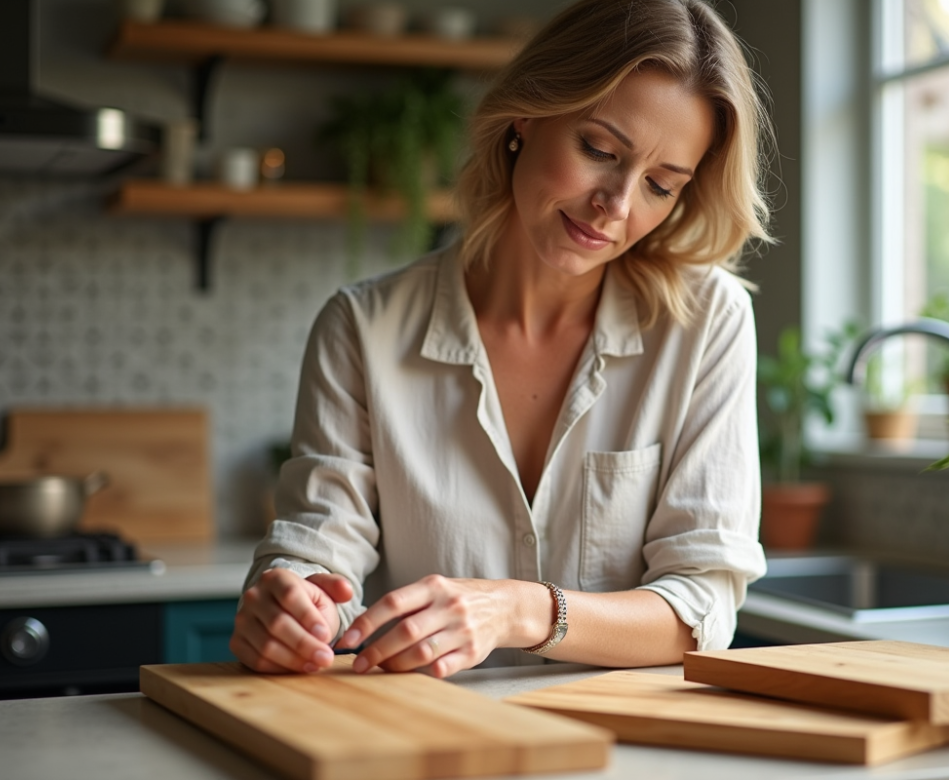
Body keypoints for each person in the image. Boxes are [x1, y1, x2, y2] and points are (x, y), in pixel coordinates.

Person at [231, 0, 773, 679]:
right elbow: (319, 548)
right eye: (599, 151)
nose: (620, 204)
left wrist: (519, 610)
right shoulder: (363, 329)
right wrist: (294, 607)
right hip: (431, 742)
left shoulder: (705, 322)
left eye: (662, 186)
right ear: (528, 115)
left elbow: (699, 608)